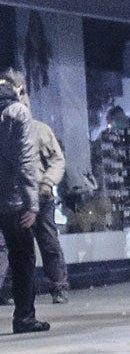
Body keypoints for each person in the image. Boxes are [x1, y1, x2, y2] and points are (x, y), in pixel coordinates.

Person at [0, 70, 46, 333]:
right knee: (23, 259)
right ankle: (24, 318)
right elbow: (26, 160)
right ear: (18, 88)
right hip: (14, 201)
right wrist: (32, 203)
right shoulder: (17, 113)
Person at [22, 96, 67, 303]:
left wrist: (47, 183)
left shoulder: (39, 130)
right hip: (13, 196)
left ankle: (58, 286)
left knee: (47, 241)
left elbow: (57, 160)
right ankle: (8, 289)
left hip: (39, 194)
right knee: (9, 246)